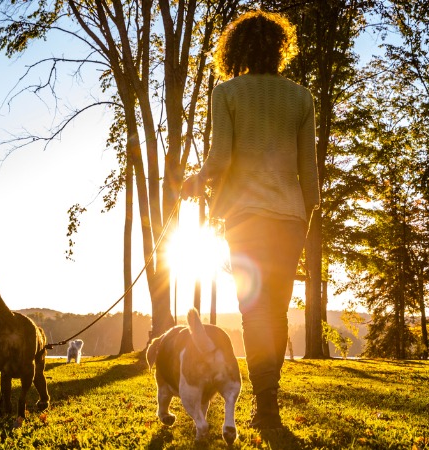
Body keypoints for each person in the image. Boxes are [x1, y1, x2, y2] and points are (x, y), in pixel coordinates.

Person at [181, 10, 319, 430]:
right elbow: (310, 175)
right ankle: (267, 402)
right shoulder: (301, 97)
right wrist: (305, 222)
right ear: (280, 49)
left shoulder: (227, 94)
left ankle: (267, 405)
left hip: (245, 218)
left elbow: (220, 160)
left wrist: (195, 180)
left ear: (235, 50)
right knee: (274, 311)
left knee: (255, 312)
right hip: (291, 218)